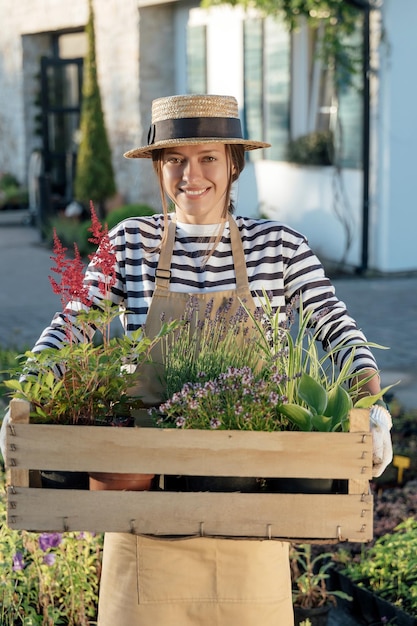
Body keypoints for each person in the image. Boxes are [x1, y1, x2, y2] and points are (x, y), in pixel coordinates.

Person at [0, 94, 392, 625]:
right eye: (175, 160)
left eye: (208, 157)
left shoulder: (278, 246)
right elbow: (74, 322)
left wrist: (373, 405)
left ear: (234, 163)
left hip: (251, 509)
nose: (192, 174)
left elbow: (336, 327)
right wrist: (25, 398)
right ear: (160, 168)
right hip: (144, 512)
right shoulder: (131, 243)